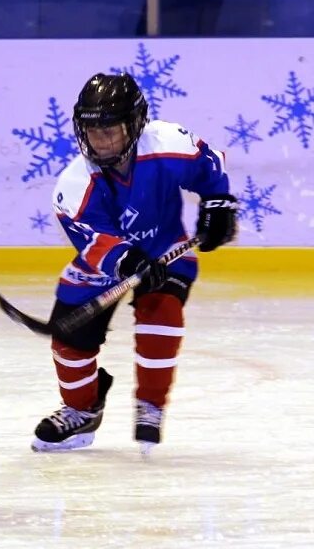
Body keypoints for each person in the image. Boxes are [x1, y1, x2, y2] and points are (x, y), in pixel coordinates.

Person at [33, 72, 237, 453]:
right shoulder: (75, 184)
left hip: (166, 249)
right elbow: (92, 241)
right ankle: (82, 410)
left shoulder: (168, 143)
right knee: (69, 341)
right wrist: (125, 260)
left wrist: (218, 203)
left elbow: (209, 165)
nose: (100, 141)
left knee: (163, 315)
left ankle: (151, 404)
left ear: (135, 124)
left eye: (110, 130)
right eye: (93, 132)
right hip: (104, 265)